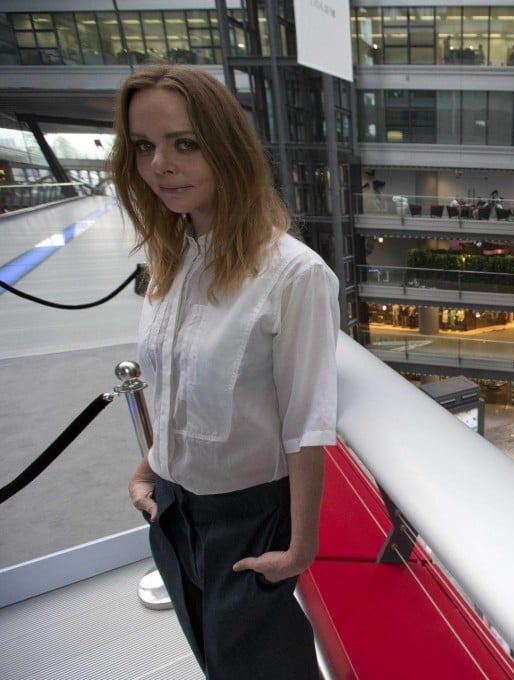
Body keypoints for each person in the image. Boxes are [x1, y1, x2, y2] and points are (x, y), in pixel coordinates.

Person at [112, 64, 339, 679]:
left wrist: (300, 547)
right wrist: (147, 470)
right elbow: (171, 387)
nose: (160, 164)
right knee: (217, 663)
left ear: (227, 149)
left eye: (185, 144)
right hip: (172, 508)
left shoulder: (294, 275)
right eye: (144, 146)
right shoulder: (172, 257)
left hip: (248, 522)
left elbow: (306, 422)